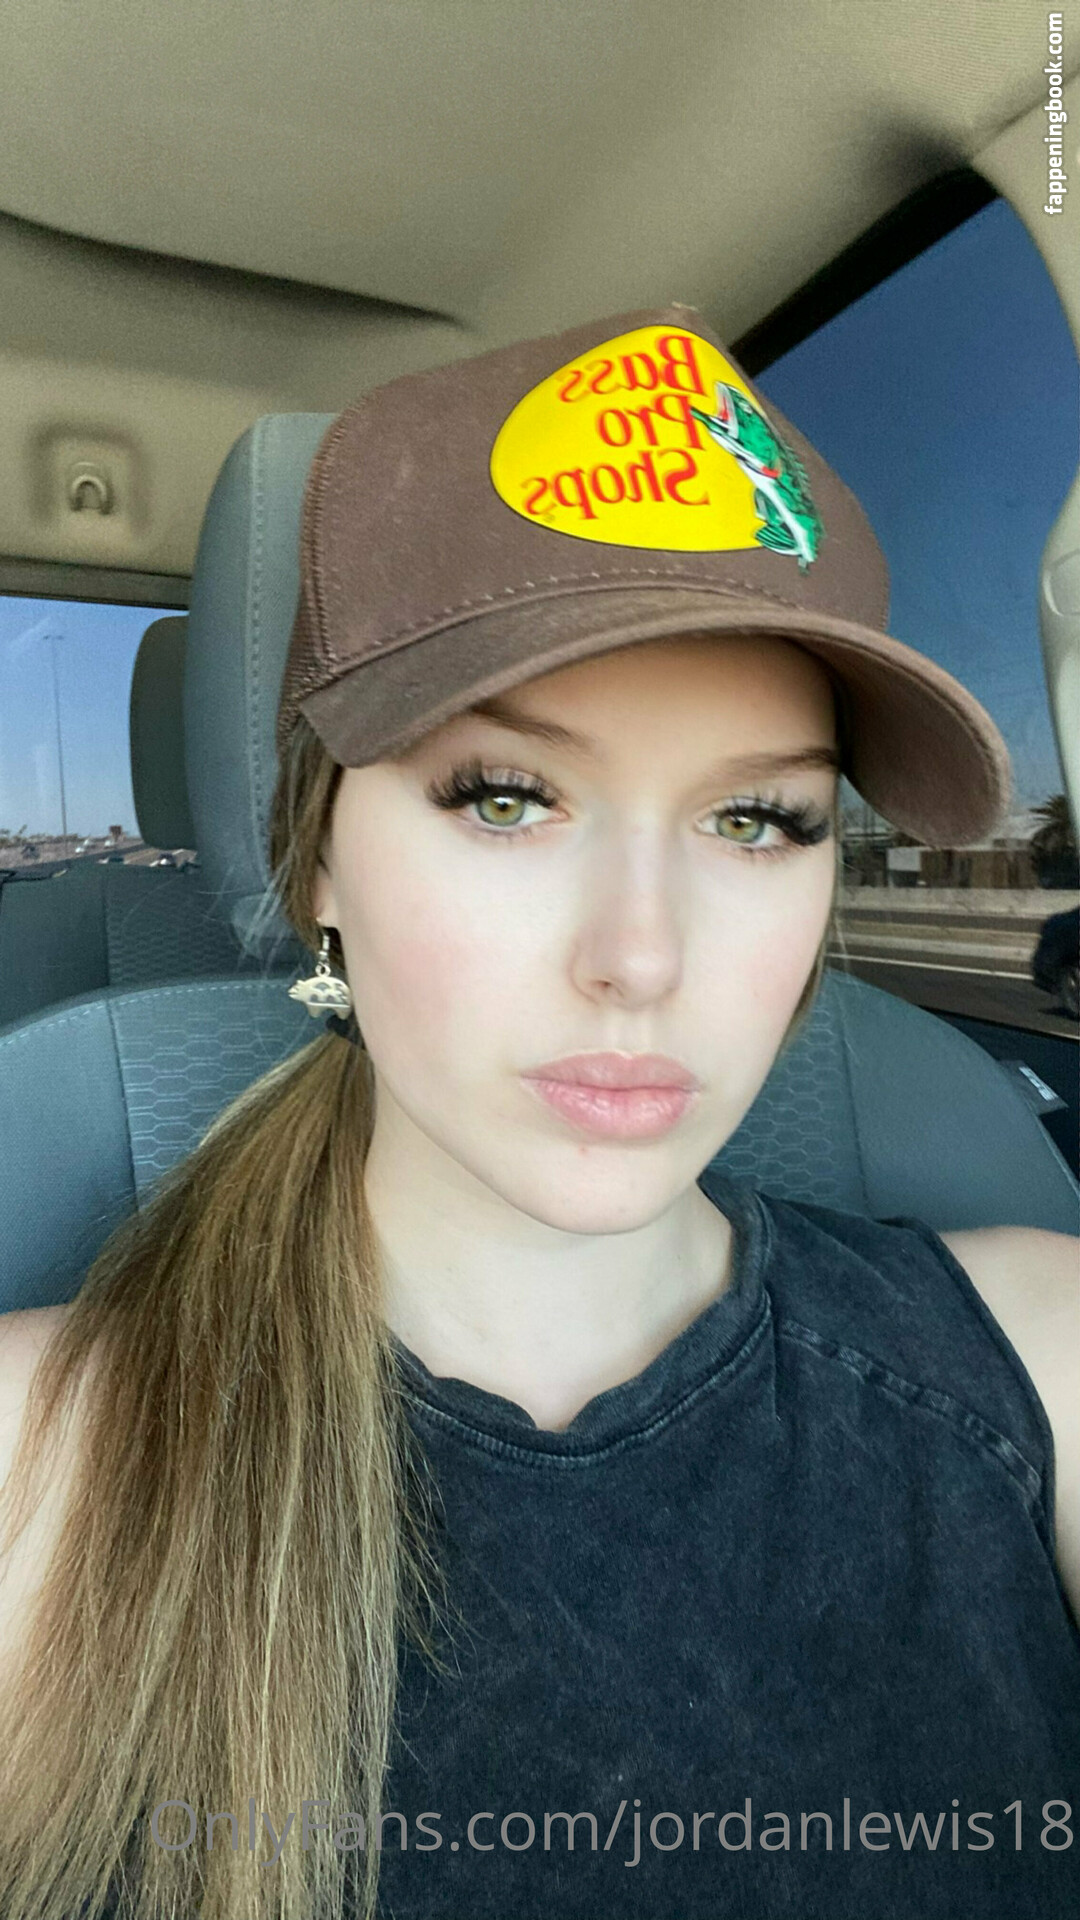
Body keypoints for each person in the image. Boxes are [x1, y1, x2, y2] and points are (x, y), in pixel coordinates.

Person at [0, 305, 1077, 1920]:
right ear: (316, 858)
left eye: (758, 819)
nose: (642, 959)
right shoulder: (36, 1469)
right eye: (506, 798)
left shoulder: (1039, 1359)